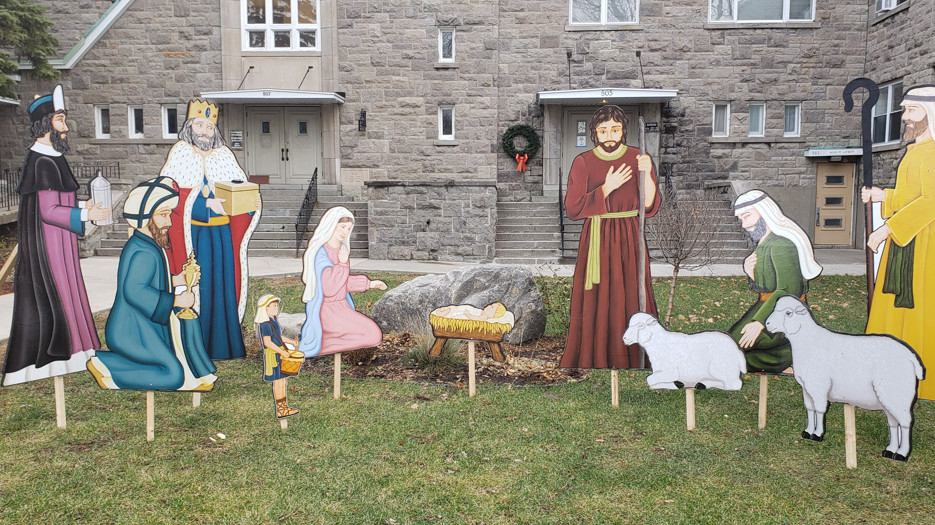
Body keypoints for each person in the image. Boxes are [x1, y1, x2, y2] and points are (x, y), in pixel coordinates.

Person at [3, 85, 111, 386]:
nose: (65, 127)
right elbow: (48, 211)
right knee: (59, 294)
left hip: (59, 240)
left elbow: (57, 201)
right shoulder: (41, 161)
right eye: (60, 120)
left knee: (71, 292)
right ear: (45, 123)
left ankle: (80, 351)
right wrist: (86, 215)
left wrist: (81, 206)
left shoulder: (52, 157)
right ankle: (59, 355)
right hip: (49, 245)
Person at [86, 177, 217, 391]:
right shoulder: (143, 251)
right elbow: (134, 291)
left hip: (145, 324)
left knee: (175, 365)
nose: (169, 222)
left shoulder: (150, 245)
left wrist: (179, 279)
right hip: (130, 329)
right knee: (172, 375)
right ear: (145, 216)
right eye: (163, 215)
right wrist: (176, 299)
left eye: (169, 215)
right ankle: (106, 365)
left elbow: (154, 281)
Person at [159, 99, 261, 360]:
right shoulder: (180, 153)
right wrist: (205, 205)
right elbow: (170, 197)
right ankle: (195, 343)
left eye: (209, 126)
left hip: (222, 236)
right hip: (194, 236)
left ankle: (223, 346)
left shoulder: (224, 155)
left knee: (223, 285)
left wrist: (251, 205)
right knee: (198, 286)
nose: (204, 131)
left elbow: (237, 191)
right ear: (189, 127)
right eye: (199, 125)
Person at [560, 105, 660, 369]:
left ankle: (635, 357)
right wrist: (606, 188)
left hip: (629, 235)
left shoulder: (638, 157)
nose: (609, 135)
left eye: (615, 129)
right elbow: (572, 207)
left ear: (623, 130)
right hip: (597, 237)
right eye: (603, 130)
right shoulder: (583, 162)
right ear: (595, 133)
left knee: (630, 293)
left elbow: (648, 204)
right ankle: (594, 357)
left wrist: (647, 172)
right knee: (598, 297)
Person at [862, 84, 935, 401]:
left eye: (912, 111)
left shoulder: (932, 153)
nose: (905, 117)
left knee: (916, 306)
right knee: (895, 303)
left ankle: (919, 375)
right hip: (906, 243)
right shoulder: (915, 151)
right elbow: (912, 197)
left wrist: (886, 229)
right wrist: (885, 196)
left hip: (922, 244)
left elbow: (930, 201)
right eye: (904, 110)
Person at [728, 190, 823, 374]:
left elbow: (788, 290)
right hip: (766, 308)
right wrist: (751, 273)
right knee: (729, 346)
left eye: (747, 216)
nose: (745, 224)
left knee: (731, 351)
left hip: (785, 314)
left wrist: (759, 322)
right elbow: (769, 286)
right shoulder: (765, 244)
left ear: (765, 212)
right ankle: (786, 357)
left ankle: (790, 356)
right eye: (741, 219)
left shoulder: (782, 245)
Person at [298, 206, 387, 357]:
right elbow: (330, 287)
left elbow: (342, 282)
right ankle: (317, 346)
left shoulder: (342, 248)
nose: (345, 232)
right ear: (331, 224)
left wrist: (369, 284)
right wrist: (341, 263)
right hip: (326, 309)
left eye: (349, 228)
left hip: (342, 306)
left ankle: (324, 343)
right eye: (342, 227)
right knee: (372, 334)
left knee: (373, 334)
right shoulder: (321, 252)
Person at [255, 294, 301, 419]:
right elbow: (267, 342)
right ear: (266, 308)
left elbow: (279, 337)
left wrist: (291, 342)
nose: (277, 308)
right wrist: (282, 352)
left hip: (279, 354)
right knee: (278, 381)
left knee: (282, 381)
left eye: (277, 306)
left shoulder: (273, 321)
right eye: (274, 306)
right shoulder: (265, 324)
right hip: (274, 356)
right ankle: (281, 409)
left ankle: (284, 407)